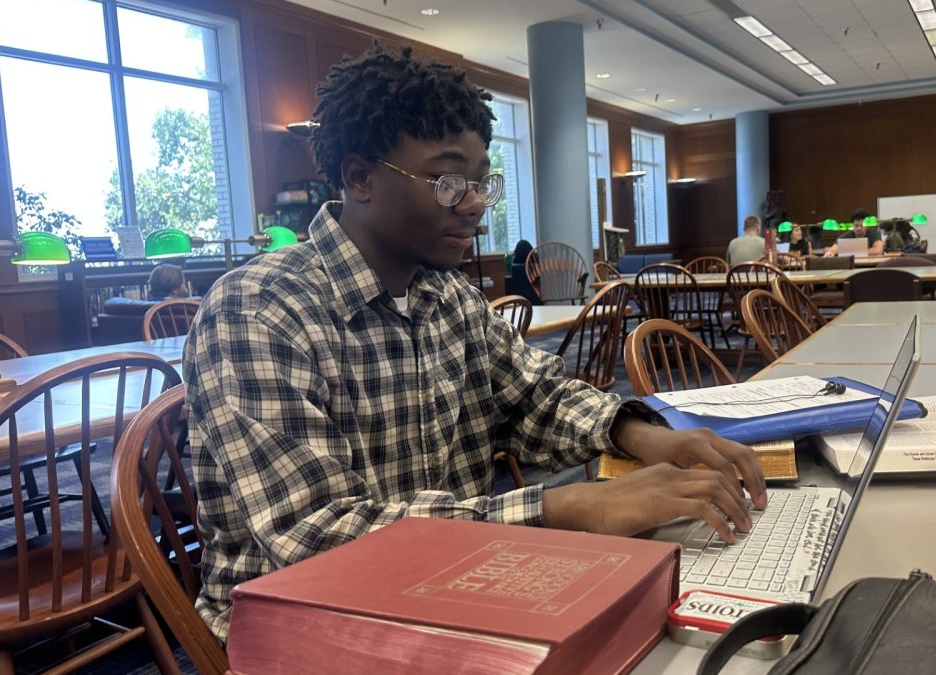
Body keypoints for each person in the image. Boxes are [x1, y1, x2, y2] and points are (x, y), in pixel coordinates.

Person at [182, 45, 766, 642]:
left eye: (484, 181)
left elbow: (534, 396)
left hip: (454, 591)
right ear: (361, 177)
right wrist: (566, 507)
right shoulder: (258, 308)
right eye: (448, 181)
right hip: (302, 627)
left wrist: (642, 435)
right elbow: (312, 535)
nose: (477, 205)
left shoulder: (446, 295)